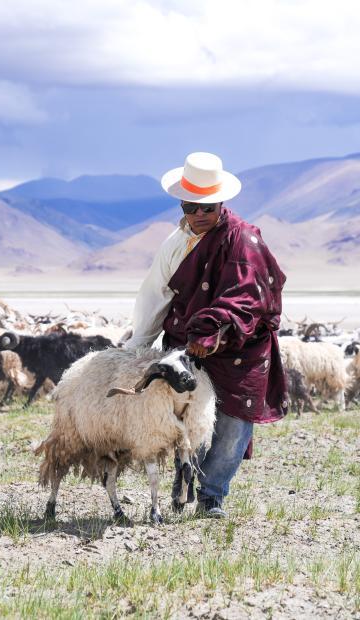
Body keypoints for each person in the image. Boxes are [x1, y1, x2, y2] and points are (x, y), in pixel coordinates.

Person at [125, 152, 288, 518]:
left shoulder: (244, 240)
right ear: (182, 206)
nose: (199, 215)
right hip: (188, 349)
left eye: (207, 208)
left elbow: (249, 297)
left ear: (221, 204)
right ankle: (186, 480)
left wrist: (214, 327)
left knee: (233, 424)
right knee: (188, 420)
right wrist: (137, 347)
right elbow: (155, 295)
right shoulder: (174, 244)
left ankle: (212, 495)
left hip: (240, 349)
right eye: (191, 207)